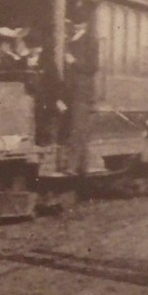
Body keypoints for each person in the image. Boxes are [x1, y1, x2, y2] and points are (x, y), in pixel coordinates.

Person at [61, 10, 98, 173]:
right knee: (75, 127)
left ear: (84, 25)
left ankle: (73, 165)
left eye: (78, 23)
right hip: (71, 89)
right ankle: (81, 166)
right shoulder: (70, 40)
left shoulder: (90, 41)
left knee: (77, 127)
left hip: (81, 90)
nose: (75, 26)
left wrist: (73, 61)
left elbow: (92, 67)